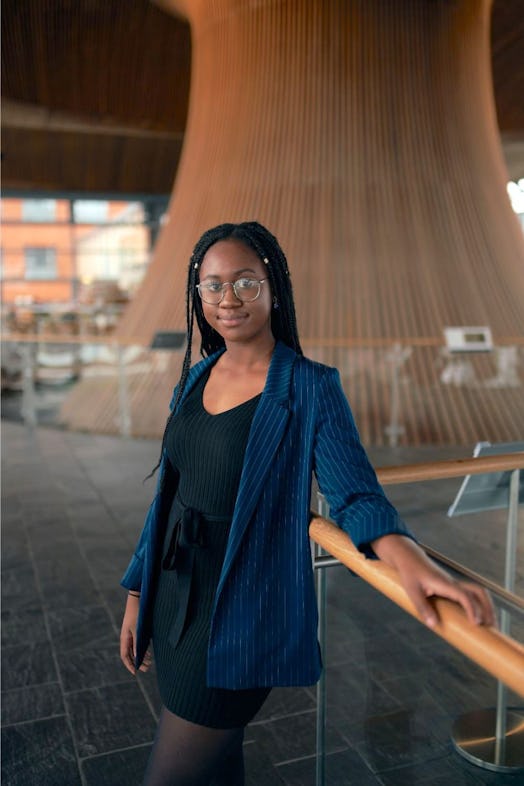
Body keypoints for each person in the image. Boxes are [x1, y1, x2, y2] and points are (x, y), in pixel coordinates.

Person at [120, 221, 495, 786]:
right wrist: (136, 594)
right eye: (213, 285)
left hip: (240, 608)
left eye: (245, 283)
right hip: (175, 595)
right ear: (199, 295)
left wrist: (413, 562)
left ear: (273, 287)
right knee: (217, 765)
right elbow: (168, 497)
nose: (228, 299)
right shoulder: (194, 378)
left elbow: (355, 492)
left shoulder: (308, 385)